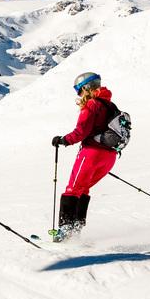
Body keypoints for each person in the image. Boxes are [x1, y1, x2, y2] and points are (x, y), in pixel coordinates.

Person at [51, 73, 120, 239]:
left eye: (79, 91)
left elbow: (81, 131)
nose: (79, 95)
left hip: (91, 153)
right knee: (83, 189)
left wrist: (63, 140)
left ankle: (66, 232)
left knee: (72, 189)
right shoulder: (111, 105)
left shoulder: (92, 104)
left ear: (85, 88)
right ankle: (76, 230)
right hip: (109, 156)